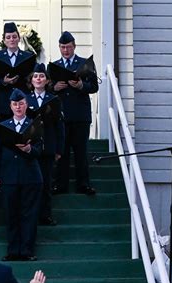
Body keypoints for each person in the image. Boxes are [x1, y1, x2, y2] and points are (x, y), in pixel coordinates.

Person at [0, 89, 43, 261]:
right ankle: (13, 250)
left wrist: (30, 149)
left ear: (27, 105)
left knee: (29, 214)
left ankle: (27, 251)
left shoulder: (34, 124)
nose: (18, 107)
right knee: (11, 214)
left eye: (21, 103)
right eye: (15, 104)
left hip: (30, 176)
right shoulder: (3, 126)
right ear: (10, 106)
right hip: (9, 176)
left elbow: (40, 149)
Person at [50, 31, 99, 195]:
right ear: (59, 47)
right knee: (61, 152)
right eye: (63, 47)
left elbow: (94, 86)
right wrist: (54, 88)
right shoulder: (54, 66)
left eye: (68, 47)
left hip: (80, 115)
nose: (66, 50)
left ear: (74, 46)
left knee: (80, 151)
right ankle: (60, 185)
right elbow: (46, 88)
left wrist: (80, 86)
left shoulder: (85, 63)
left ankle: (83, 184)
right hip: (61, 115)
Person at [26, 63, 65, 226]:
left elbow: (60, 127)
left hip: (48, 146)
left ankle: (46, 214)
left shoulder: (54, 100)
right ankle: (31, 214)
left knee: (46, 183)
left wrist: (59, 149)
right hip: (30, 147)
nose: (38, 79)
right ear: (31, 80)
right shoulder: (25, 99)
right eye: (35, 76)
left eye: (41, 76)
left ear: (47, 80)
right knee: (31, 183)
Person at [0, 22, 34, 122]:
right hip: (4, 105)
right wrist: (3, 81)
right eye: (8, 37)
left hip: (23, 104)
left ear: (19, 38)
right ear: (4, 41)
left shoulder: (29, 57)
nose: (11, 39)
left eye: (14, 36)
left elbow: (33, 78)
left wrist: (29, 81)